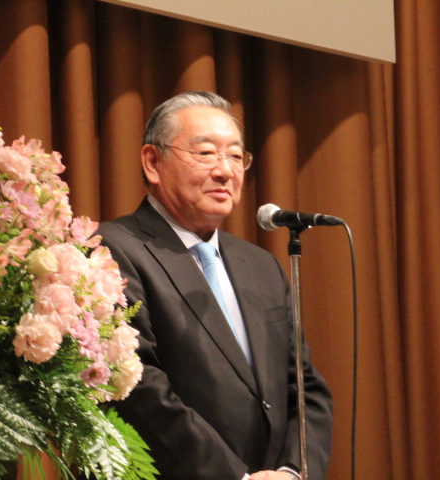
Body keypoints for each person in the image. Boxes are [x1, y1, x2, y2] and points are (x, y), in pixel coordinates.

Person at [97, 91, 333, 480]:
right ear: (153, 162)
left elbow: (306, 388)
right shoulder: (112, 248)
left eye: (236, 156)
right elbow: (138, 385)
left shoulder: (262, 266)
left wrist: (291, 472)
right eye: (206, 153)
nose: (225, 171)